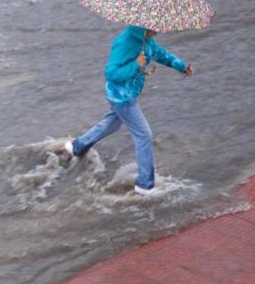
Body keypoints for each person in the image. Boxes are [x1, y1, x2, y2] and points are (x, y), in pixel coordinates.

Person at [65, 25, 194, 196]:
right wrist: (136, 65)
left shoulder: (145, 40)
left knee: (112, 124)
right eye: (156, 27)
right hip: (121, 97)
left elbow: (160, 54)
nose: (160, 30)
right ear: (146, 25)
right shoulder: (125, 42)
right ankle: (145, 185)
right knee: (144, 135)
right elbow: (111, 73)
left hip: (127, 94)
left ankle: (77, 146)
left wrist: (181, 66)